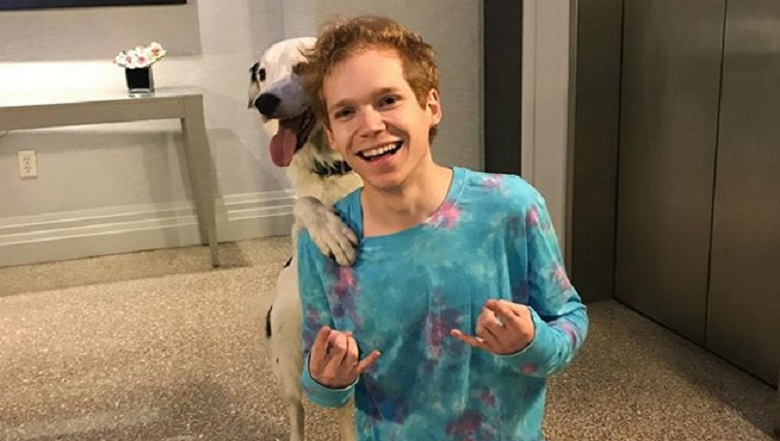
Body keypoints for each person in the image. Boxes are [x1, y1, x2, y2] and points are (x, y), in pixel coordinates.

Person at [296, 15, 588, 440]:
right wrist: (326, 380)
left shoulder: (509, 207)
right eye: (346, 112)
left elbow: (568, 318)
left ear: (431, 106)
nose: (370, 126)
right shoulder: (322, 244)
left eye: (388, 100)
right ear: (332, 136)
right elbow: (320, 379)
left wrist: (531, 342)